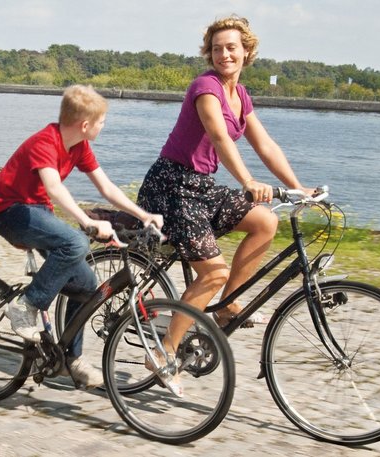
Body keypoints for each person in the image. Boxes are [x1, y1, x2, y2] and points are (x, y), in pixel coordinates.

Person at [136, 16, 315, 394]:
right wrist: (248, 182)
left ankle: (226, 306)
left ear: (246, 51)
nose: (224, 54)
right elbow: (219, 137)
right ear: (209, 53)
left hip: (200, 188)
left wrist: (299, 188)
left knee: (265, 222)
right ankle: (163, 352)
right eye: (217, 48)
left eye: (231, 47)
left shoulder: (241, 95)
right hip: (171, 189)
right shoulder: (206, 87)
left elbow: (265, 145)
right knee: (211, 274)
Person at [0, 84, 164, 389]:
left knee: (86, 288)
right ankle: (26, 304)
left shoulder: (79, 146)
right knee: (76, 242)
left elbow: (106, 188)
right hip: (11, 213)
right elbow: (55, 188)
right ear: (85, 124)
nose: (103, 125)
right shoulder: (45, 141)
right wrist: (85, 222)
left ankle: (72, 359)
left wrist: (142, 215)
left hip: (38, 213)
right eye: (101, 121)